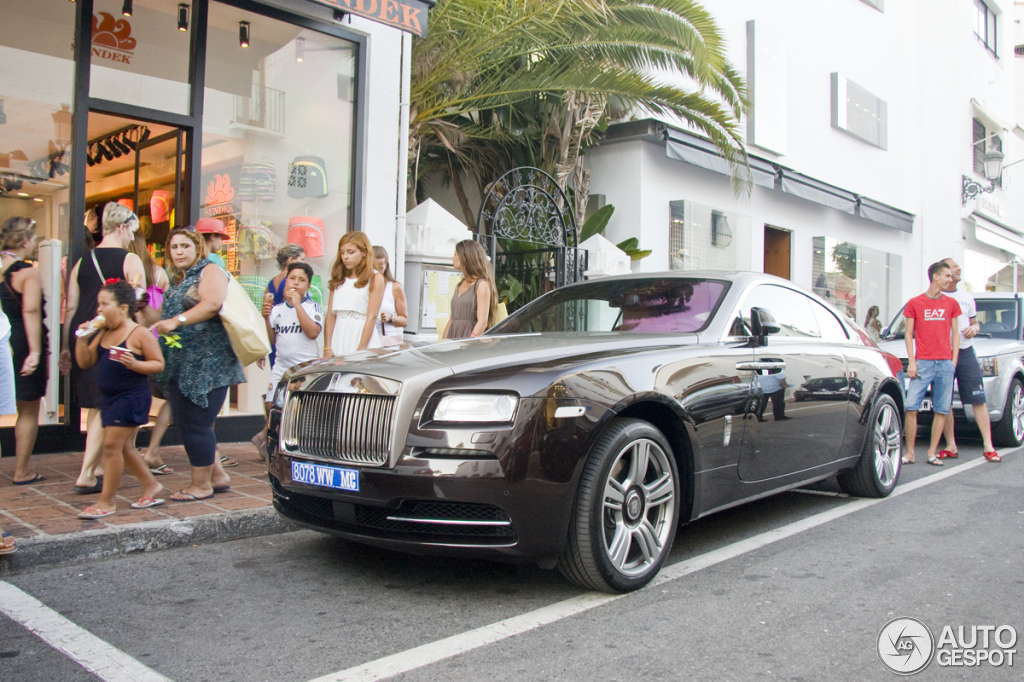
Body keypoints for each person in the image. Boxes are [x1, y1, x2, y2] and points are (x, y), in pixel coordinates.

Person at [152, 228, 244, 501]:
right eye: (174, 247)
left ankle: (201, 485)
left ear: (197, 249)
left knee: (196, 424)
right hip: (185, 363)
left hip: (207, 365)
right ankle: (217, 476)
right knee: (190, 422)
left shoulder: (209, 270)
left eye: (184, 246)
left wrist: (176, 321)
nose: (178, 251)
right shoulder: (181, 280)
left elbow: (213, 303)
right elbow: (164, 317)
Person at [62, 203, 146, 493]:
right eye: (132, 231)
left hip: (86, 336)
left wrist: (67, 346)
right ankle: (87, 473)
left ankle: (98, 467)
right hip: (114, 339)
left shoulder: (81, 262)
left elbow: (71, 306)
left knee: (98, 406)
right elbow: (140, 301)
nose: (132, 237)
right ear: (122, 227)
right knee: (105, 406)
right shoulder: (130, 259)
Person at [75, 280, 166, 519]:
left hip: (131, 397)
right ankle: (152, 486)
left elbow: (158, 363)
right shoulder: (104, 331)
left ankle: (107, 501)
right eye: (98, 304)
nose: (99, 310)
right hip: (109, 398)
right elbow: (85, 361)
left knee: (110, 447)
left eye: (105, 304)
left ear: (123, 308)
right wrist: (82, 338)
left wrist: (135, 364)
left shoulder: (139, 333)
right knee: (124, 448)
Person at [938, 258, 1001, 463]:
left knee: (977, 399)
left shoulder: (966, 297)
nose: (958, 268)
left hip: (965, 352)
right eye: (954, 266)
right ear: (944, 271)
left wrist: (975, 328)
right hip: (943, 354)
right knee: (945, 401)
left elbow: (975, 322)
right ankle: (950, 445)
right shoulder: (935, 297)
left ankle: (988, 446)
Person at [1, 217, 48, 485]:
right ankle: (22, 470)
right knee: (28, 409)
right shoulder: (26, 272)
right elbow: (30, 310)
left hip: (2, 339)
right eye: (32, 239)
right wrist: (35, 351)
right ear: (23, 241)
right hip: (21, 342)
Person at [903, 261, 961, 466]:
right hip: (923, 362)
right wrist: (912, 361)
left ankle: (932, 453)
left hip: (945, 363)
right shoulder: (915, 302)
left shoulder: (951, 304)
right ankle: (910, 453)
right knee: (911, 407)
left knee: (942, 409)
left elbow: (956, 334)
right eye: (947, 276)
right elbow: (909, 334)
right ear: (935, 276)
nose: (950, 279)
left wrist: (953, 360)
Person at [264, 262, 322, 408]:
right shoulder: (277, 309)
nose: (296, 283)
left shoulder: (312, 307)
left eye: (301, 280)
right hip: (281, 366)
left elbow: (313, 333)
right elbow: (271, 340)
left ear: (308, 286)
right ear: (286, 281)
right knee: (270, 404)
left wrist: (297, 305)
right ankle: (268, 430)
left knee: (298, 407)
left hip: (304, 366)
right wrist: (265, 317)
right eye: (292, 278)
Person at [323, 231, 384, 355]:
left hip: (362, 335)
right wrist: (327, 346)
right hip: (339, 335)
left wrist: (362, 348)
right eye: (342, 252)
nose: (345, 257)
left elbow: (371, 317)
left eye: (351, 252)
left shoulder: (375, 277)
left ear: (364, 252)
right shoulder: (338, 277)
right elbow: (330, 315)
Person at [442, 239, 498, 340]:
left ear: (465, 258)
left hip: (470, 339)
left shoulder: (481, 285)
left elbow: (482, 322)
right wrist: (443, 341)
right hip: (454, 337)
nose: (453, 258)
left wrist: (469, 343)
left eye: (455, 254)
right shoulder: (459, 286)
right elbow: (452, 318)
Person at [373, 246, 408, 346]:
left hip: (386, 340)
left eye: (380, 268)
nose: (377, 273)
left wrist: (391, 318)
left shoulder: (394, 287)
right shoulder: (362, 287)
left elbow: (405, 320)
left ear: (386, 266)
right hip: (365, 339)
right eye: (373, 269)